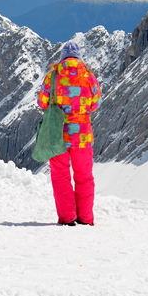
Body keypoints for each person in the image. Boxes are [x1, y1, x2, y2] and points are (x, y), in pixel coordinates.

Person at [37, 40, 101, 226]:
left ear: (62, 59)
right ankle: (85, 218)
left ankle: (68, 218)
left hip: (58, 136)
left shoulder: (52, 77)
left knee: (61, 177)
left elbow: (42, 103)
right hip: (83, 137)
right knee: (84, 177)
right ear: (79, 58)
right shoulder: (89, 77)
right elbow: (95, 104)